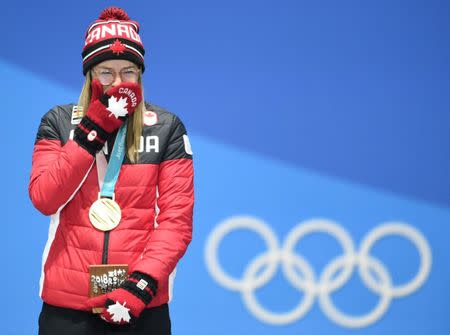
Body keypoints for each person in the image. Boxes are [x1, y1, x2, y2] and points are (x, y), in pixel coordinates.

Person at [28, 6, 194, 335]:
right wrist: (92, 131)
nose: (119, 82)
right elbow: (45, 198)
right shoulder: (59, 122)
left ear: (140, 75)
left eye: (129, 71)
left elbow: (176, 223)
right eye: (106, 71)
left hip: (140, 306)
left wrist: (141, 285)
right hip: (67, 309)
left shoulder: (166, 128)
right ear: (90, 75)